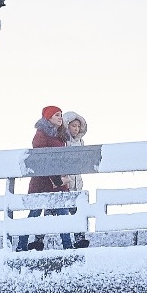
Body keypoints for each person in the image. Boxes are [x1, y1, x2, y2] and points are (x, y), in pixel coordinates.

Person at [16, 106, 74, 251]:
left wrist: (63, 179)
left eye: (61, 115)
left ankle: (68, 246)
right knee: (35, 214)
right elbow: (41, 159)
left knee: (63, 213)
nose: (60, 117)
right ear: (48, 118)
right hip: (42, 183)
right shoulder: (41, 135)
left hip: (58, 183)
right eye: (57, 115)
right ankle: (21, 245)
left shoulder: (61, 136)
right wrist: (57, 180)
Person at [63, 111, 90, 249]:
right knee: (54, 211)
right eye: (73, 125)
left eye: (78, 126)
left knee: (77, 211)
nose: (76, 129)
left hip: (77, 182)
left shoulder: (81, 142)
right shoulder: (63, 141)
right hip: (65, 182)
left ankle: (79, 239)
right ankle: (39, 240)